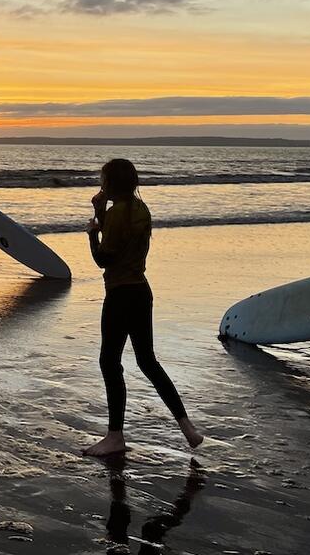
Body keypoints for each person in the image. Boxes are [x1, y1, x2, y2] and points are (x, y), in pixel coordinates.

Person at [84, 158, 202, 457]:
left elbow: (104, 260)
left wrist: (91, 235)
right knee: (148, 361)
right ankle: (187, 427)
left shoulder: (118, 212)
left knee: (109, 362)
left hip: (120, 294)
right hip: (140, 291)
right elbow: (122, 242)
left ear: (110, 183)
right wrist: (100, 214)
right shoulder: (140, 208)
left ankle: (114, 436)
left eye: (103, 179)